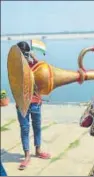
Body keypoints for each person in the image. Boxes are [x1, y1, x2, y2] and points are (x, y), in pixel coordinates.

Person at [16, 41, 50, 170]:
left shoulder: (33, 66)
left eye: (24, 54)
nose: (23, 57)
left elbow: (44, 68)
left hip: (35, 102)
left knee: (37, 127)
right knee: (24, 129)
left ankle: (38, 150)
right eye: (21, 54)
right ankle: (26, 155)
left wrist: (32, 56)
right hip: (22, 104)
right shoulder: (16, 68)